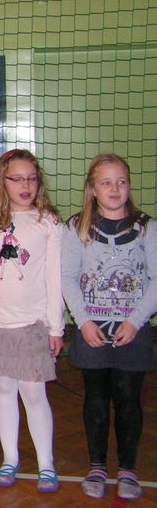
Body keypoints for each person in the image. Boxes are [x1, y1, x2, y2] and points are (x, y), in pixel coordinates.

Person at [0, 149, 63, 493]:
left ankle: (46, 464)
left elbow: (54, 278)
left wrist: (56, 327)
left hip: (31, 324)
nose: (26, 186)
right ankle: (10, 458)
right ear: (1, 181)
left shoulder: (48, 221)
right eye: (17, 179)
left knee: (34, 393)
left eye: (32, 179)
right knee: (4, 389)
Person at [62, 154, 157, 501]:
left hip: (134, 330)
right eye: (106, 182)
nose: (114, 189)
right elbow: (67, 278)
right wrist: (84, 322)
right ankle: (97, 465)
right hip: (92, 330)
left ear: (129, 186)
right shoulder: (76, 227)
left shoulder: (147, 228)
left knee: (129, 398)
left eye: (121, 182)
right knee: (97, 398)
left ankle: (128, 468)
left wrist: (135, 321)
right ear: (92, 188)